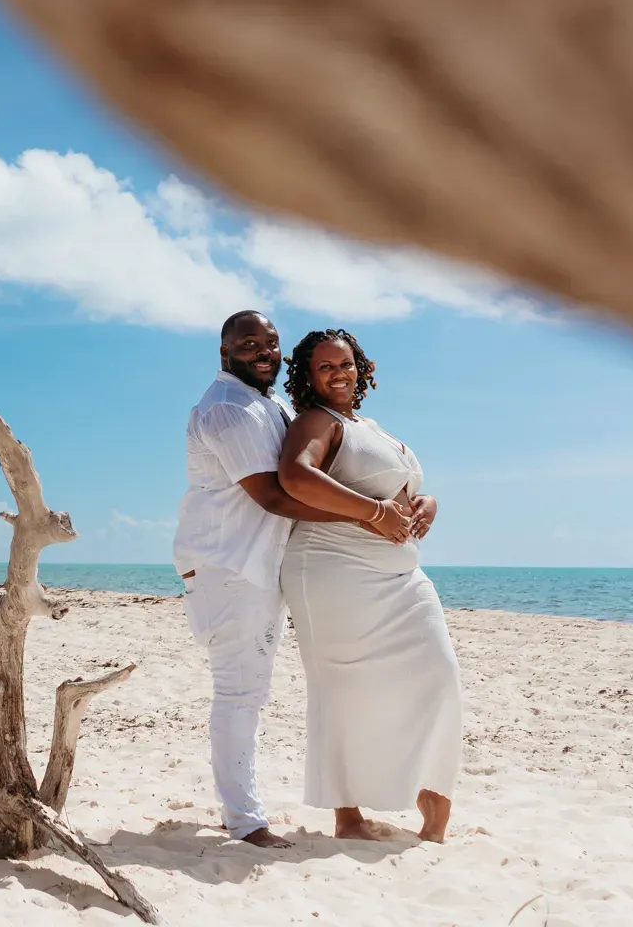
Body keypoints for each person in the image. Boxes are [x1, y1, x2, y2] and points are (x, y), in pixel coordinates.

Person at [173, 310, 374, 848]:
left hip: (254, 565)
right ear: (225, 353)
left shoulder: (270, 405)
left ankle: (242, 812)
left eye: (270, 343)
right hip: (227, 564)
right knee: (238, 693)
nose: (263, 351)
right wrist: (369, 515)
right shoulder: (228, 411)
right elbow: (275, 494)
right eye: (248, 343)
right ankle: (245, 822)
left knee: (250, 693)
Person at [277, 328, 462, 843]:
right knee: (341, 689)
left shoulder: (374, 427)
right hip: (332, 568)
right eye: (325, 367)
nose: (338, 373)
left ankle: (434, 809)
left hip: (401, 573)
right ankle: (348, 817)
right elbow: (294, 475)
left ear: (361, 367)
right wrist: (373, 512)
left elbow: (407, 488)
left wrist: (428, 503)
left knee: (438, 673)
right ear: (309, 377)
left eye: (345, 363)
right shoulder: (317, 421)